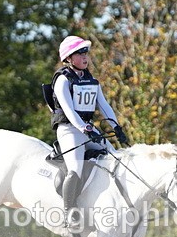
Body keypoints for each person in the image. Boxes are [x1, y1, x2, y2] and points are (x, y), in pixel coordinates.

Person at [47, 35, 129, 227]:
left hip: (87, 129)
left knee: (116, 158)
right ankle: (69, 213)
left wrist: (117, 127)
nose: (85, 57)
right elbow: (68, 110)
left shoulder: (91, 79)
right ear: (69, 57)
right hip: (68, 130)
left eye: (86, 52)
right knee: (75, 169)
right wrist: (84, 128)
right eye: (80, 53)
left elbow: (105, 106)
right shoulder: (62, 80)